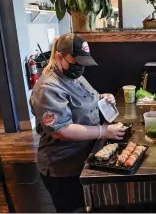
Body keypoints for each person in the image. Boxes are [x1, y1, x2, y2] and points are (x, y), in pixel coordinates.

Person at [30, 33, 127, 212]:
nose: (81, 68)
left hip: (84, 156)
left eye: (84, 64)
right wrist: (103, 131)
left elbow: (84, 99)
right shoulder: (48, 88)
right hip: (64, 166)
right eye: (77, 63)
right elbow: (61, 130)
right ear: (60, 57)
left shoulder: (74, 75)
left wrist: (102, 98)